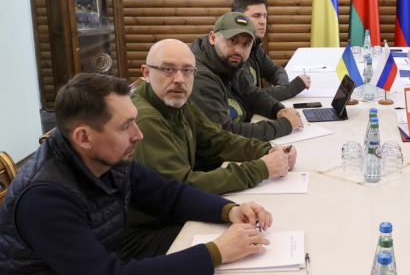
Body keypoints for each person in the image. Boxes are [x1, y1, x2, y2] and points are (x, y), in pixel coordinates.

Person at [0, 73, 275, 275]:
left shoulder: (103, 158)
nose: (138, 134)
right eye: (125, 126)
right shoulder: (45, 199)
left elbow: (168, 195)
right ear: (84, 137)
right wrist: (216, 252)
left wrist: (228, 210)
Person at [122, 39, 296, 258]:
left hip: (175, 214)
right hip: (148, 232)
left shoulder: (178, 102)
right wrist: (260, 169)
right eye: (168, 69)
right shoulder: (145, 120)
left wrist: (266, 150)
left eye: (187, 71)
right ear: (146, 73)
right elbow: (182, 187)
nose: (179, 79)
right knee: (252, 243)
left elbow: (218, 139)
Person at [190, 11, 302, 142]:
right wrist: (285, 125)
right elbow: (225, 133)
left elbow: (252, 94)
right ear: (213, 38)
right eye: (232, 41)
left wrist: (278, 110)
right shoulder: (199, 77)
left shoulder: (230, 63)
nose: (238, 50)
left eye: (246, 44)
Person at [231, 0, 311, 100]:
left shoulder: (254, 46)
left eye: (264, 16)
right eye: (256, 16)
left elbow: (276, 71)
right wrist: (293, 87)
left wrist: (282, 89)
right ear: (238, 19)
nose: (263, 21)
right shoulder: (232, 53)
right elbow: (250, 96)